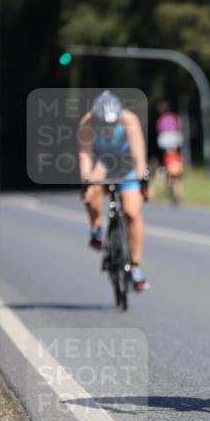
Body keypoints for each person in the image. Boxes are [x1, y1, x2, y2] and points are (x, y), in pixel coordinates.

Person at [78, 90, 150, 292]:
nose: (108, 129)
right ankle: (96, 229)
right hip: (102, 161)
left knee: (132, 213)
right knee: (92, 187)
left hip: (126, 162)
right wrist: (86, 183)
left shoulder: (129, 119)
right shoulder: (87, 122)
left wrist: (143, 180)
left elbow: (138, 155)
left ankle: (135, 268)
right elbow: (85, 155)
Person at [155, 100, 184, 204]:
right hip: (176, 152)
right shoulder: (175, 118)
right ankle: (177, 193)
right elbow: (180, 130)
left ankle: (170, 188)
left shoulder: (160, 121)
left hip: (167, 154)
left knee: (170, 174)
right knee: (177, 176)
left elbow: (159, 136)